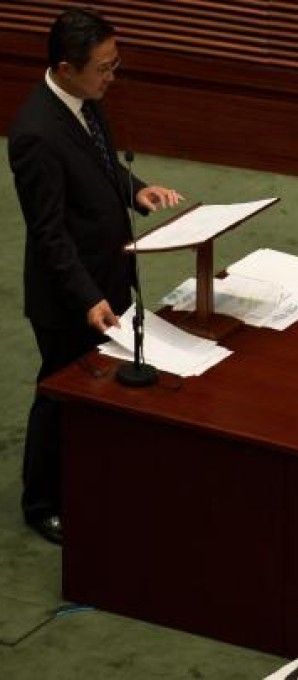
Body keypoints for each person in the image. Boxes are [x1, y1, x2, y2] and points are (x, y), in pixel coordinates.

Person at [8, 7, 183, 545]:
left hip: (108, 272)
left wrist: (136, 189)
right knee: (58, 393)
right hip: (68, 295)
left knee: (99, 388)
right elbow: (49, 233)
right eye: (104, 68)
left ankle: (94, 475)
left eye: (116, 63)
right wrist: (86, 296)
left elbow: (103, 162)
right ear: (65, 67)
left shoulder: (85, 100)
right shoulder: (35, 133)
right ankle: (41, 503)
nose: (112, 76)